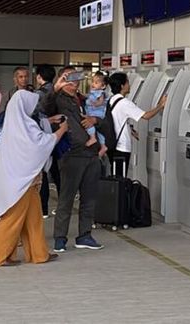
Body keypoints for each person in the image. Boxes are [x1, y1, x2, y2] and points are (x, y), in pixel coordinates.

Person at [0, 90, 67, 266]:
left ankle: (39, 253)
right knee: (13, 219)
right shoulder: (26, 125)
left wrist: (49, 122)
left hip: (22, 180)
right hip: (21, 183)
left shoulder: (15, 123)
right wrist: (61, 131)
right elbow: (42, 143)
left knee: (33, 219)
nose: (34, 108)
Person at [50, 66, 104, 252]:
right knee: (66, 198)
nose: (73, 84)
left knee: (89, 198)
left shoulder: (83, 99)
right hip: (71, 155)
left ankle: (85, 235)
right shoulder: (56, 99)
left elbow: (105, 117)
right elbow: (42, 108)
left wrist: (95, 121)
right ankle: (60, 238)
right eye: (68, 80)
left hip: (91, 154)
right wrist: (55, 88)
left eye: (76, 81)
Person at [106, 72, 167, 177]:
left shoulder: (111, 100)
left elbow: (117, 119)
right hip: (121, 147)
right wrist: (161, 105)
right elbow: (146, 116)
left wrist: (130, 130)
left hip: (112, 145)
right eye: (127, 82)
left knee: (116, 176)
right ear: (122, 85)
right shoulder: (124, 103)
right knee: (120, 179)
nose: (129, 85)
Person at [33, 65, 63, 218]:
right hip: (61, 134)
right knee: (57, 172)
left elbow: (34, 115)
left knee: (43, 171)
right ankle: (63, 205)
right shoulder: (62, 91)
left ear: (39, 77)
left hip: (44, 134)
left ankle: (43, 208)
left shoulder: (38, 94)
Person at [84, 72, 108, 157]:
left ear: (103, 86)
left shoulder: (100, 93)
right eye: (93, 82)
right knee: (100, 132)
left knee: (89, 125)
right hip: (92, 112)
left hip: (97, 113)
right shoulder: (92, 92)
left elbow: (101, 102)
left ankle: (92, 138)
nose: (93, 84)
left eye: (96, 83)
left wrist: (95, 104)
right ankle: (103, 146)